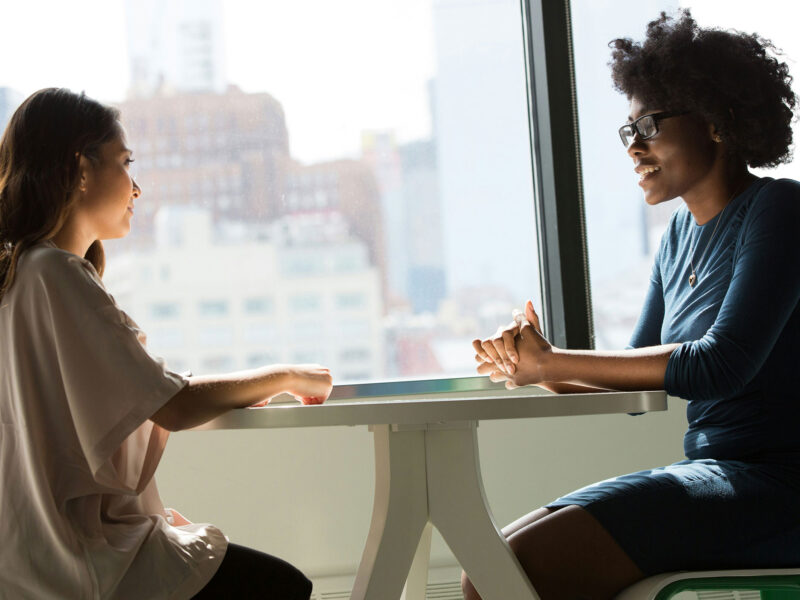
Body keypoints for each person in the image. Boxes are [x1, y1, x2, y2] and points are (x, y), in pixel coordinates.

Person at [466, 10, 800, 600]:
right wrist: (533, 369)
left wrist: (555, 362)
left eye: (647, 124)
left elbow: (720, 365)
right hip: (717, 474)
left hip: (779, 487)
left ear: (716, 121)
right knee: (485, 575)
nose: (633, 148)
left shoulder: (780, 211)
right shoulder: (676, 237)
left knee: (519, 574)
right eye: (628, 131)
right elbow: (633, 391)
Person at [0, 87, 333, 599]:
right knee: (283, 587)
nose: (137, 189)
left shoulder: (19, 275)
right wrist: (287, 375)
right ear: (81, 170)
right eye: (125, 163)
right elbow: (171, 403)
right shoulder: (53, 274)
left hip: (28, 558)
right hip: (76, 562)